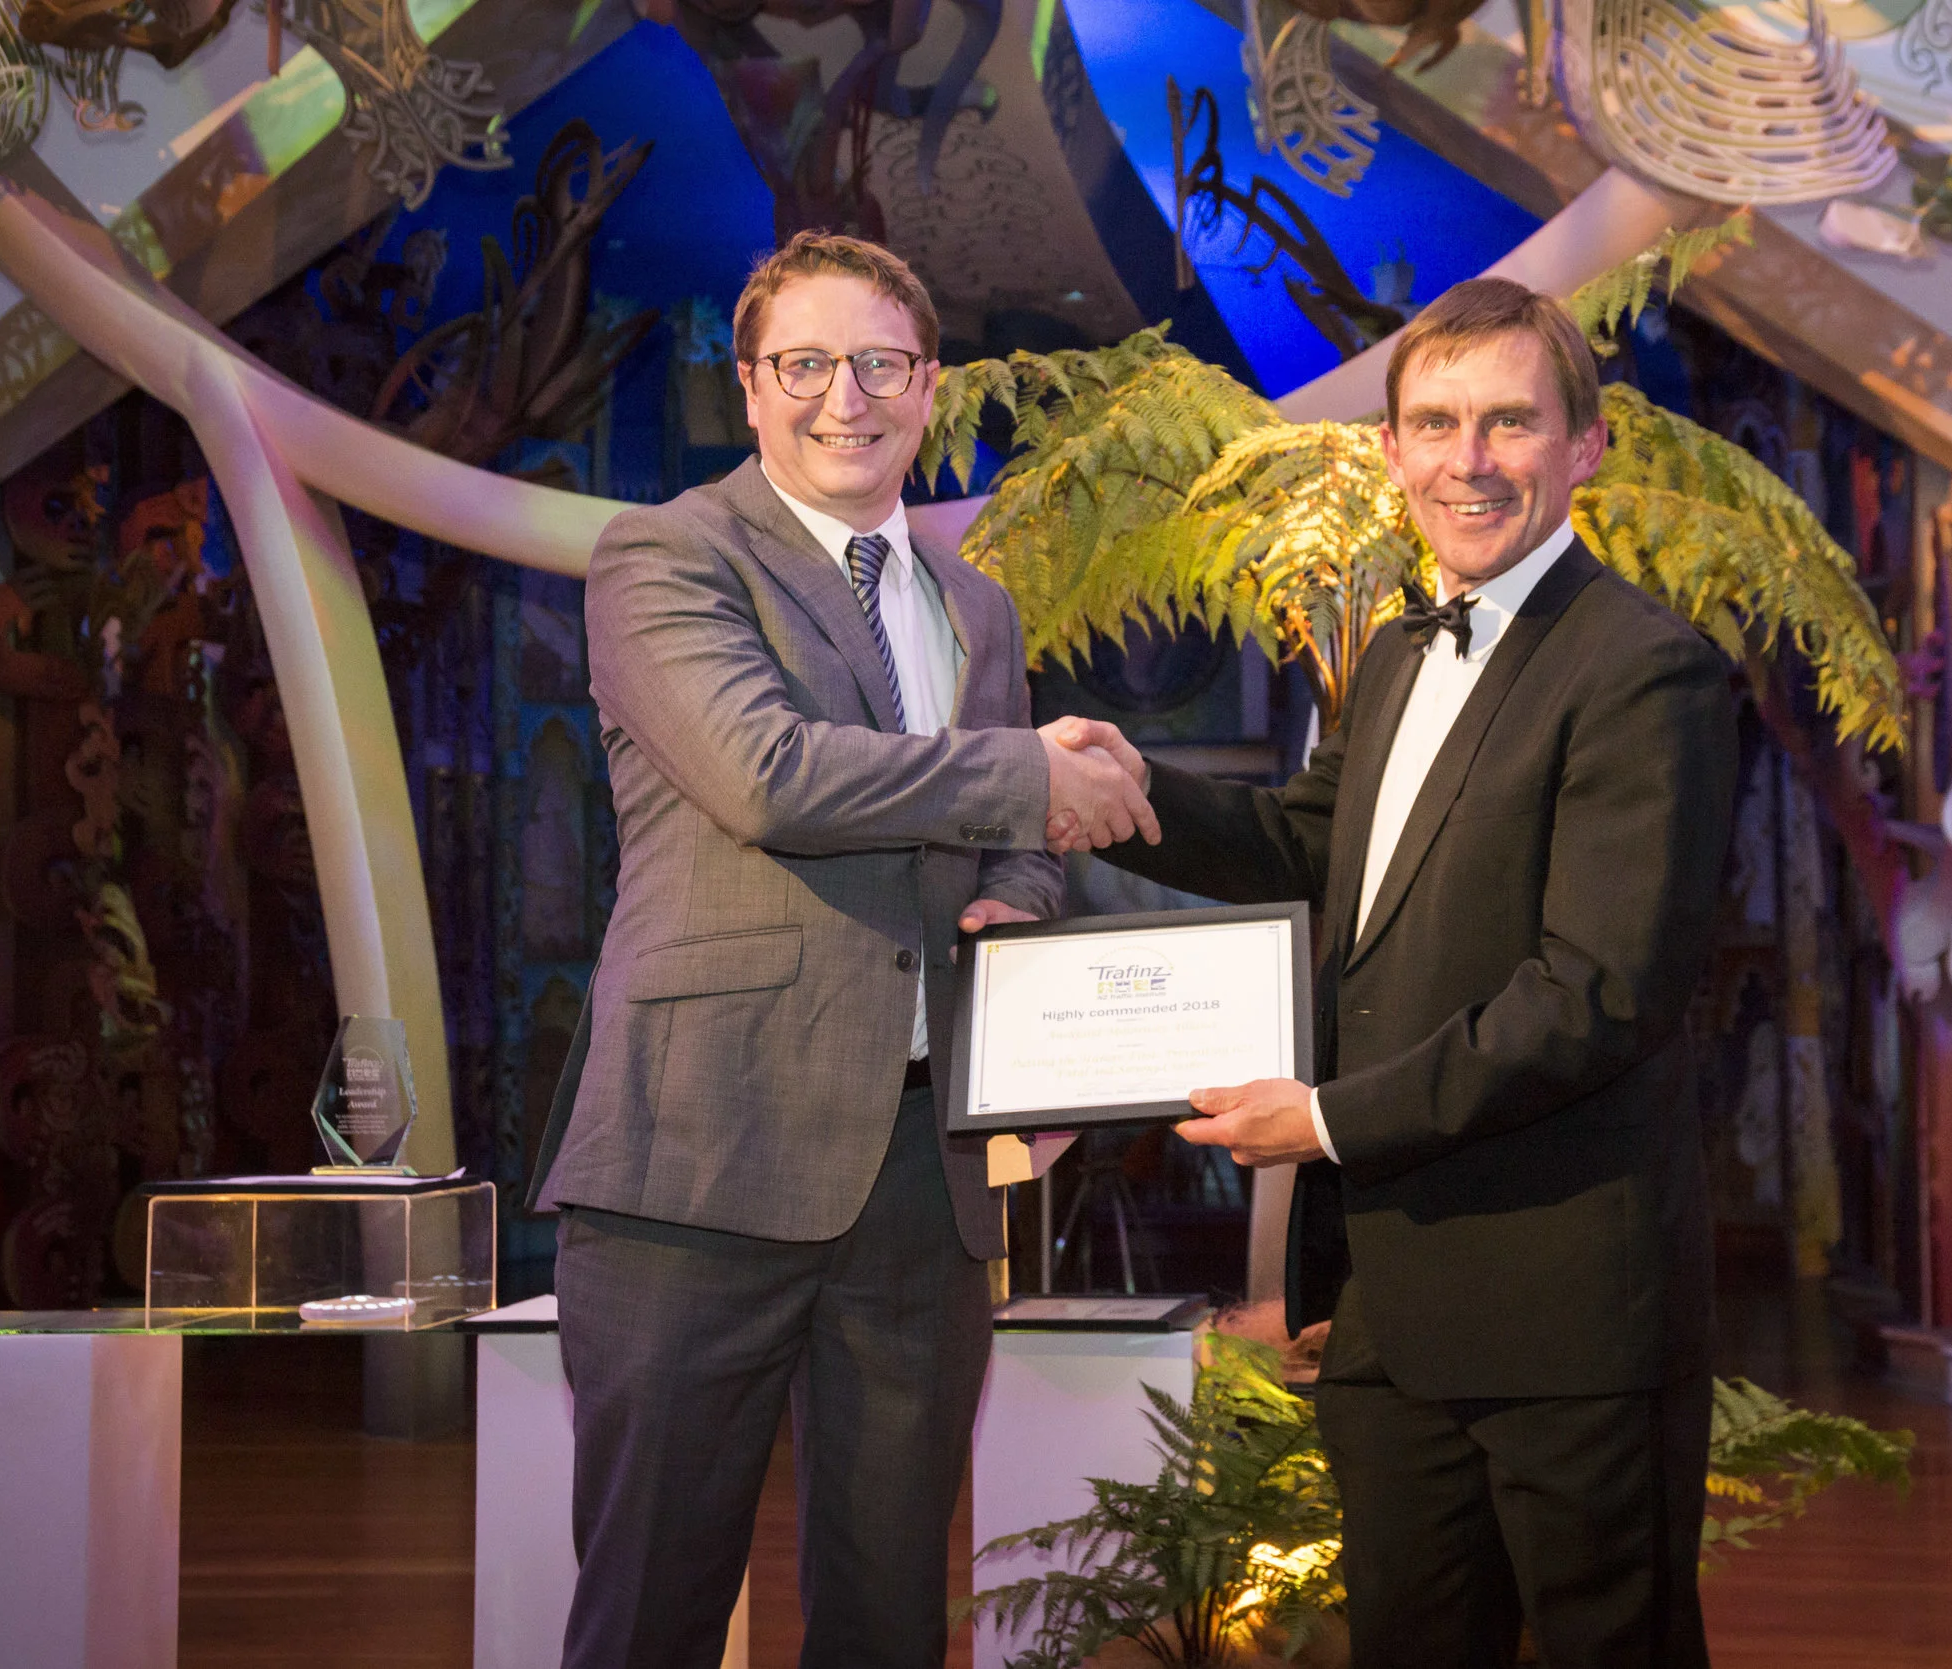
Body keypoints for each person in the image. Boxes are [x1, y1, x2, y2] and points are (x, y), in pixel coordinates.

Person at [1050, 277, 1739, 1668]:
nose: (1467, 461)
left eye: (1508, 423)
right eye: (1435, 423)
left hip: (1565, 1315)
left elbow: (1597, 994)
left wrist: (1322, 1121)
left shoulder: (1645, 671)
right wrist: (1137, 785)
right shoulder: (1399, 655)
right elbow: (1311, 847)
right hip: (1387, 1309)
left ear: (1584, 446)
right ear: (1391, 450)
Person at [531, 230, 1156, 1669]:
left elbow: (1010, 843)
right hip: (702, 1157)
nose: (844, 398)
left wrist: (1019, 911)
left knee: (886, 1617)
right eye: (805, 364)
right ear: (749, 387)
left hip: (925, 1177)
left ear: (929, 387)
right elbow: (768, 777)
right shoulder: (667, 555)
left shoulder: (974, 604)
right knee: (650, 1613)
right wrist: (1029, 774)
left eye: (880, 364)